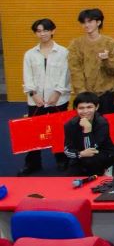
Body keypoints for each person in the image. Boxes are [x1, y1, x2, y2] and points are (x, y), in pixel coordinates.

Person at [20, 18, 71, 176]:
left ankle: (61, 159)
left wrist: (57, 93)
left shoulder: (63, 52)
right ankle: (33, 163)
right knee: (35, 132)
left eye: (45, 30)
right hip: (36, 100)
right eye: (39, 31)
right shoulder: (30, 54)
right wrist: (33, 94)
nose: (42, 33)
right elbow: (27, 76)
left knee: (58, 130)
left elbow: (66, 75)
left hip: (58, 99)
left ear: (53, 31)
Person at [68, 8, 114, 113]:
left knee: (106, 124)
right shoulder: (76, 44)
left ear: (98, 22)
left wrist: (106, 60)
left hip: (106, 93)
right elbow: (75, 70)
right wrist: (82, 92)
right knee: (86, 126)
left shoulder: (110, 42)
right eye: (83, 22)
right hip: (84, 94)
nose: (86, 25)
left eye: (90, 21)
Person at [63, 91, 114, 176]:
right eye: (81, 108)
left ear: (96, 107)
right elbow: (67, 150)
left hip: (102, 153)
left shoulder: (102, 123)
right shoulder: (70, 125)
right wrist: (80, 154)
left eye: (89, 107)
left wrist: (87, 130)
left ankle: (107, 167)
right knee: (69, 178)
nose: (85, 111)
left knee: (90, 163)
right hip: (81, 154)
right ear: (76, 109)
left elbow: (91, 150)